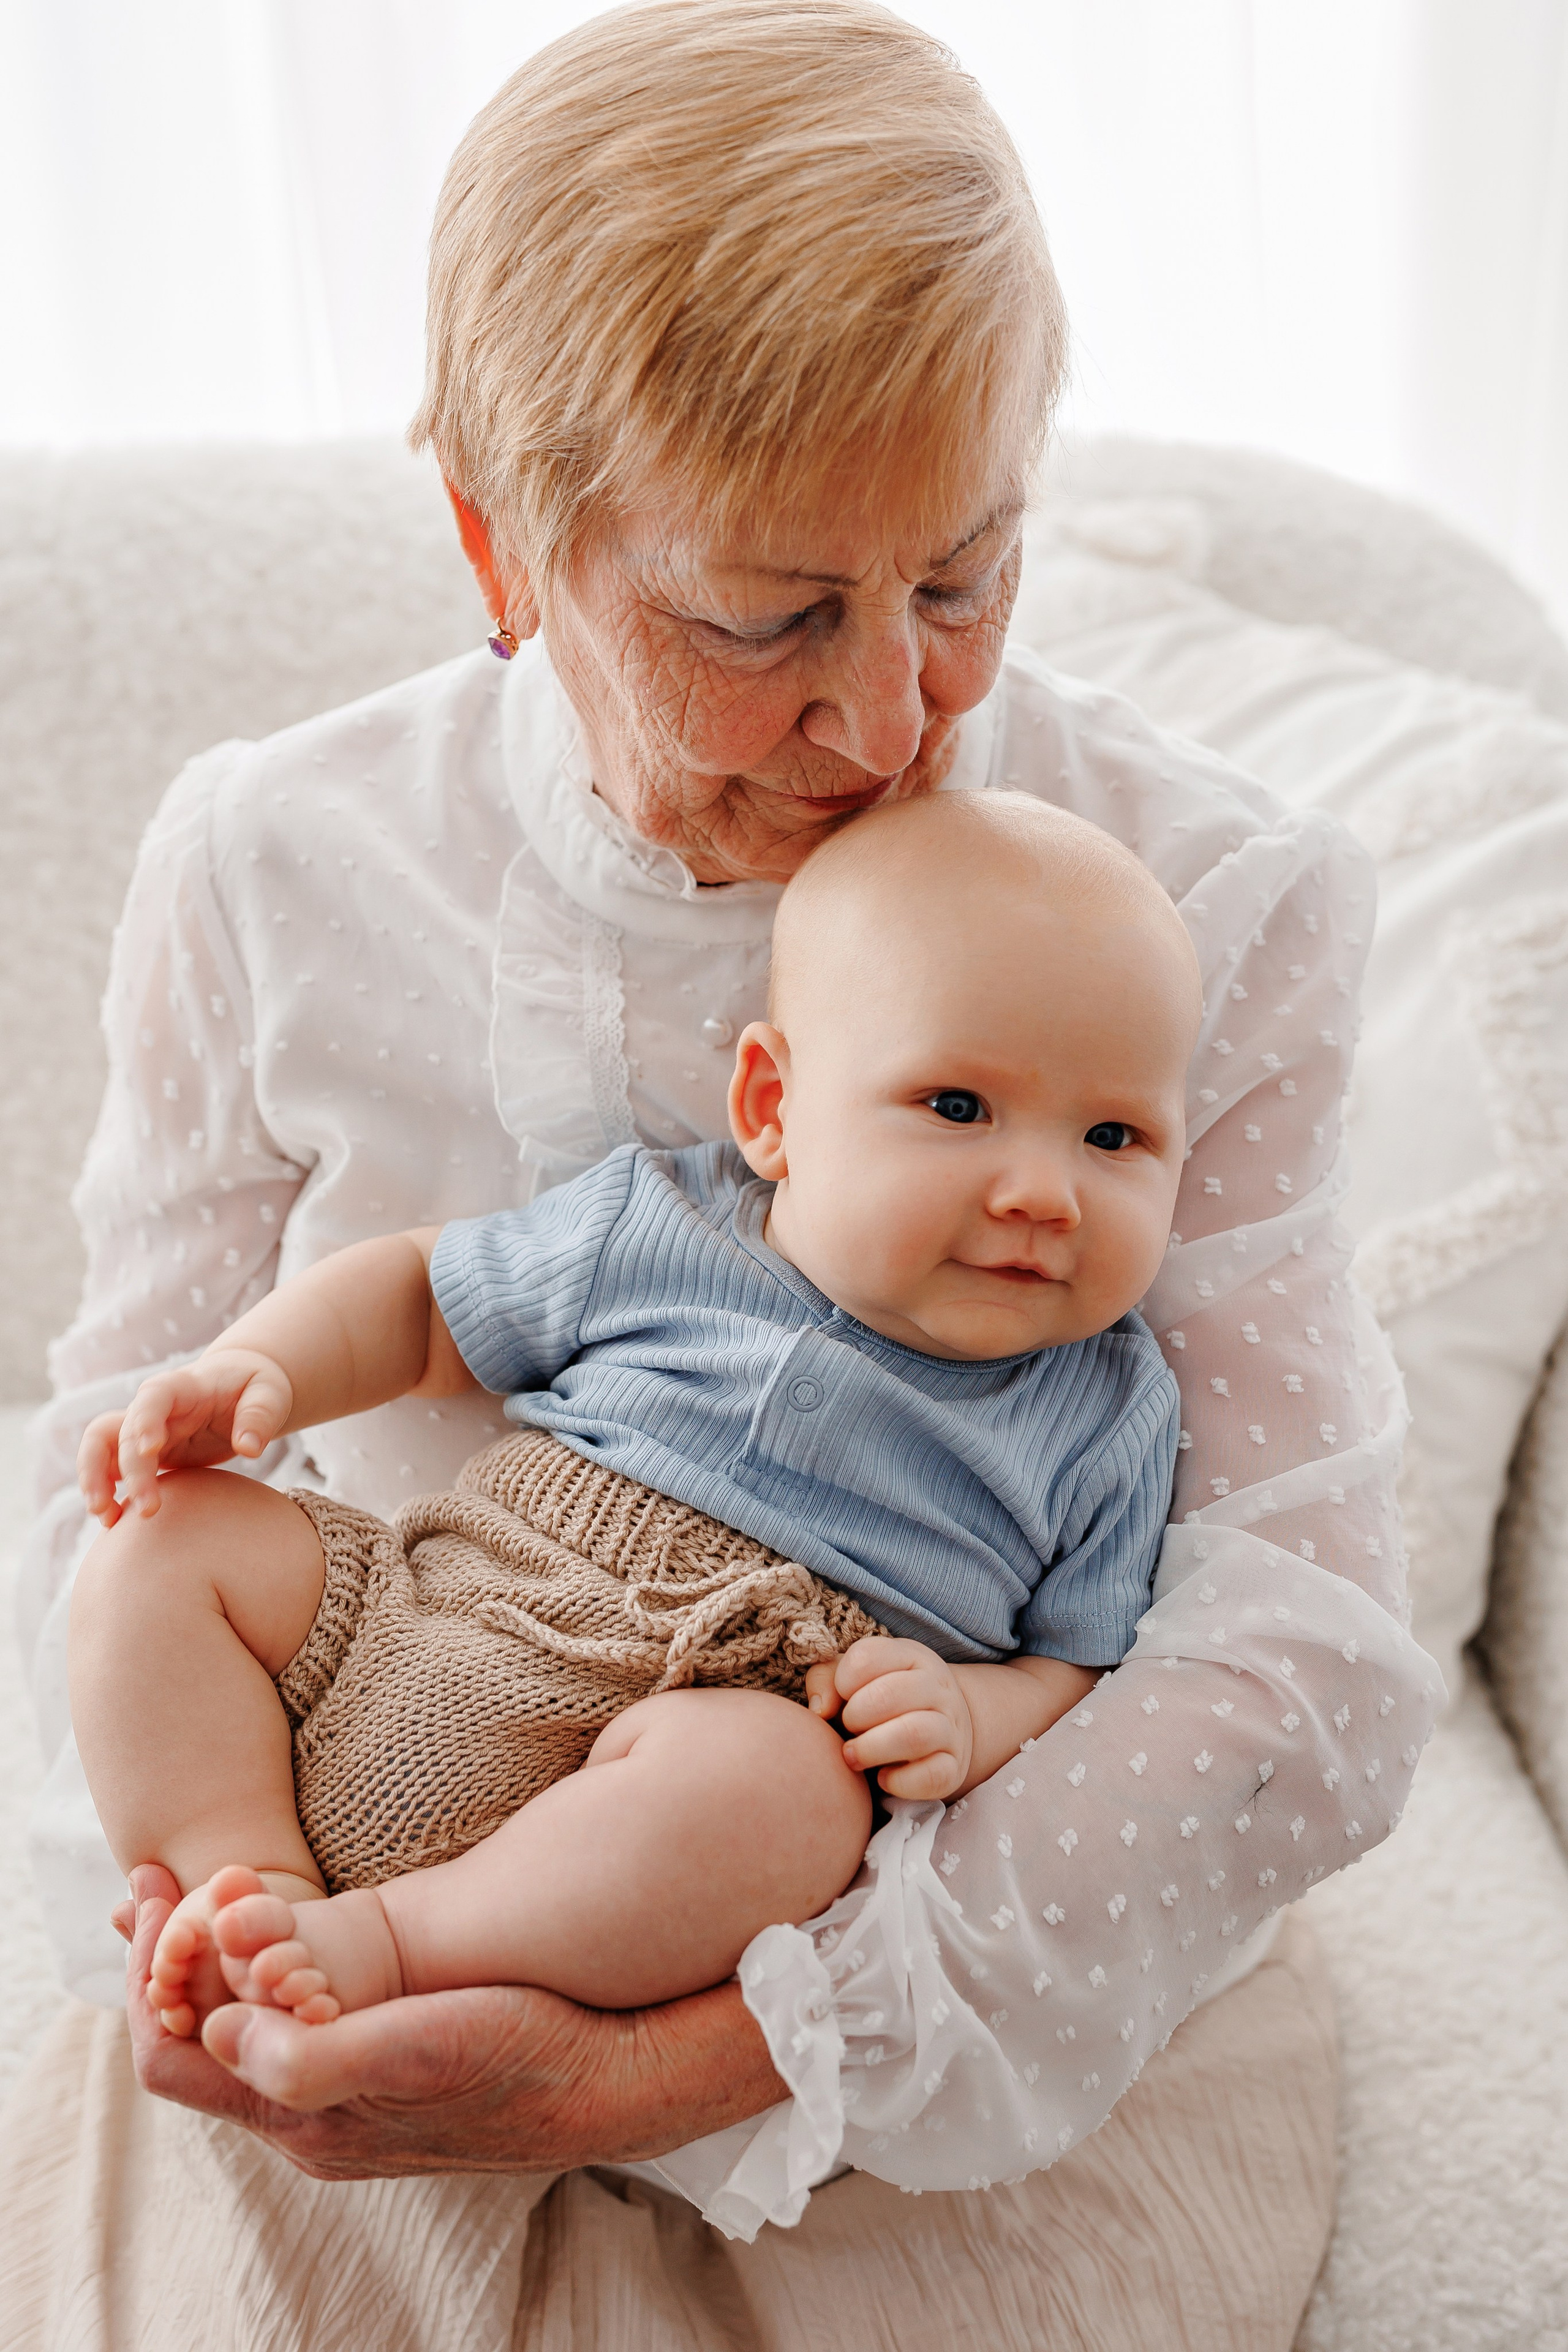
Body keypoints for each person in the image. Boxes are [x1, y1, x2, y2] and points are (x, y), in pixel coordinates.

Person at [4, 2, 1440, 2343]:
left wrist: (692, 2048)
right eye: (762, 617)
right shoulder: (271, 862)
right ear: (500, 541)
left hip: (932, 1944)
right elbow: (121, 1455)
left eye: (966, 577)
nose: (887, 721)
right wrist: (227, 1919)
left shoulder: (1213, 904)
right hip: (357, 1758)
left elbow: (1300, 1647)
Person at [69, 793, 1196, 2046]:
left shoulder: (1104, 1409)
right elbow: (420, 1304)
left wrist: (974, 1716)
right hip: (417, 1610)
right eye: (955, 1107)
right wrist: (254, 1372)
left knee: (787, 1804)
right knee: (164, 1539)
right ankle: (240, 1881)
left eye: (1113, 1136)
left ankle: (393, 1944)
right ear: (771, 1109)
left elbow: (1078, 1664)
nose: (1042, 1193)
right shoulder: (654, 1227)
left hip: (691, 1744)